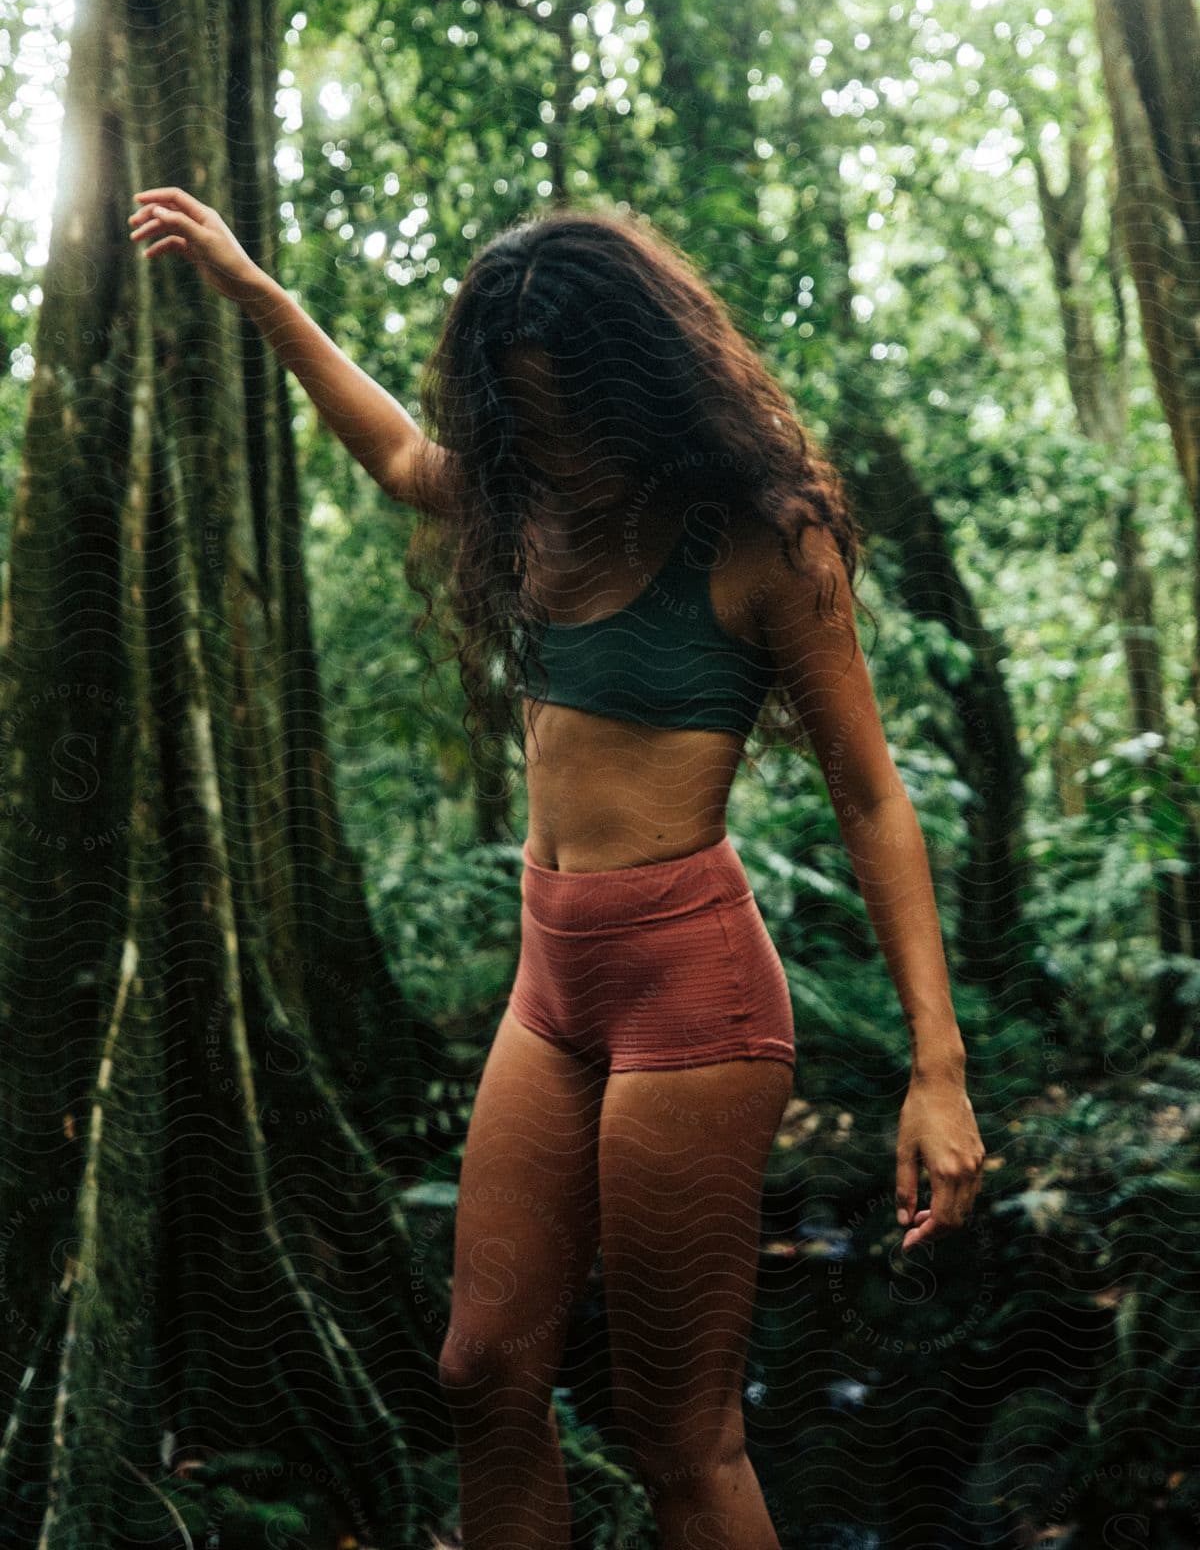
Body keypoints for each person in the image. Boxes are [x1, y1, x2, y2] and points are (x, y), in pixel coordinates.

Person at [127, 188, 987, 1550]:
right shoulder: (524, 503)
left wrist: (935, 1070)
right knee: (482, 1374)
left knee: (679, 1440)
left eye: (573, 417)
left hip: (691, 1002)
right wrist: (258, 294)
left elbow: (873, 798)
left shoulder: (765, 535)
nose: (553, 447)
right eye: (523, 416)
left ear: (643, 390)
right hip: (552, 989)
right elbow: (404, 457)